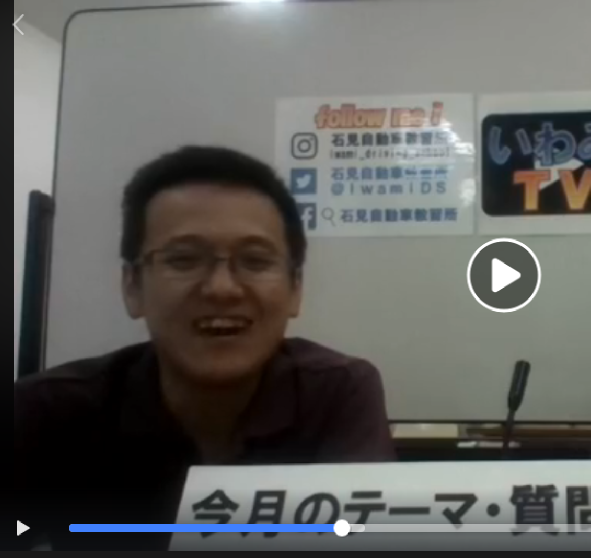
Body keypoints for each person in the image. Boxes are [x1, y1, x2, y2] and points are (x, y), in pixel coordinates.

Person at [12, 147, 396, 551]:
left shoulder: (336, 392)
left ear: (295, 289)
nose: (222, 289)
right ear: (132, 286)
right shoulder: (45, 410)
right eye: (184, 259)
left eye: (255, 261)